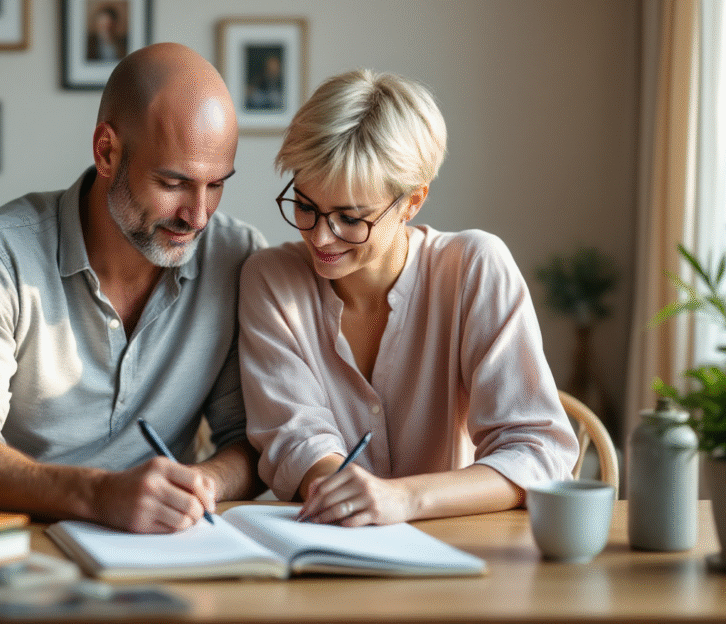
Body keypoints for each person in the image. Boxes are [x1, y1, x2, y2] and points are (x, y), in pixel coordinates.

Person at [0, 43, 266, 534]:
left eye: (217, 184)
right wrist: (98, 495)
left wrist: (197, 488)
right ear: (107, 152)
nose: (197, 216)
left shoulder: (236, 258)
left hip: (165, 546)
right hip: (19, 539)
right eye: (173, 183)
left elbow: (250, 438)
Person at [238, 70, 579, 526]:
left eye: (350, 217)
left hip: (456, 547)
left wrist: (403, 499)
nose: (320, 235)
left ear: (413, 201)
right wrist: (339, 493)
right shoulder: (271, 280)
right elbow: (295, 437)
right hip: (329, 542)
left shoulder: (474, 267)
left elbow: (537, 450)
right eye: (304, 205)